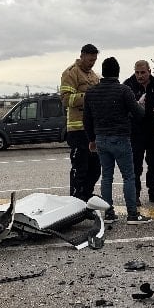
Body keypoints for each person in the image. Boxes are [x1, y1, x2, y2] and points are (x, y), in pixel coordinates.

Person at [84, 57, 151, 224]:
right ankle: (132, 215)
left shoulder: (91, 92)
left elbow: (87, 119)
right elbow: (139, 114)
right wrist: (140, 105)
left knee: (107, 177)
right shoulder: (124, 90)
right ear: (118, 72)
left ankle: (108, 214)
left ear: (103, 72)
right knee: (128, 176)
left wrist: (91, 139)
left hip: (101, 139)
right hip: (121, 138)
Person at [61, 44, 101, 200]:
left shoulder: (94, 76)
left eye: (94, 60)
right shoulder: (70, 73)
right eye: (90, 60)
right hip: (77, 130)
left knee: (95, 168)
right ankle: (76, 199)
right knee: (80, 167)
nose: (92, 63)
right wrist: (88, 97)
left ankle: (87, 194)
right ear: (82, 56)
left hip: (92, 129)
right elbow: (65, 99)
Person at [124, 60, 154, 205]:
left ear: (149, 71)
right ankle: (135, 195)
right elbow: (122, 109)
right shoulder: (128, 85)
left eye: (143, 72)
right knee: (135, 165)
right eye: (137, 72)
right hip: (135, 131)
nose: (140, 76)